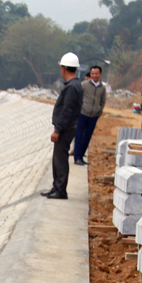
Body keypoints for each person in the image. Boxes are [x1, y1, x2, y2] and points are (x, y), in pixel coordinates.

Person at [42, 52, 83, 200]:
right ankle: (56, 187)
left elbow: (67, 111)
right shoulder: (74, 85)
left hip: (66, 128)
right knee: (57, 159)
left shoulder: (72, 87)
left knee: (60, 159)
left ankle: (61, 190)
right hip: (68, 127)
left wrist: (58, 130)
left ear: (64, 69)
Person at [74, 65, 107, 166]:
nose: (94, 75)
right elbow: (78, 98)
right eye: (93, 73)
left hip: (94, 116)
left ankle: (82, 156)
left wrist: (99, 111)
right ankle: (77, 157)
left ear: (100, 74)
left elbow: (103, 101)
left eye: (96, 73)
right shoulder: (84, 85)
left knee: (87, 137)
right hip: (83, 114)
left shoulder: (102, 88)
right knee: (79, 136)